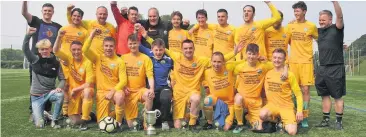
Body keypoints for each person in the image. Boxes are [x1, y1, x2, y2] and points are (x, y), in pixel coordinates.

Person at [164, 39, 244, 133]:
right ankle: (189, 115)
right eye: (185, 48)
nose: (188, 50)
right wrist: (146, 37)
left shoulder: (201, 61)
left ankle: (192, 123)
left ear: (194, 49)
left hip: (192, 92)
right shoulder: (177, 57)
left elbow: (220, 60)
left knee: (197, 98)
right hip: (179, 93)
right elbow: (163, 49)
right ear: (182, 49)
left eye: (190, 48)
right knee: (177, 126)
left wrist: (234, 52)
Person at [232, 44, 288, 133]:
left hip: (256, 101)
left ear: (258, 55)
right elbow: (225, 64)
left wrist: (285, 70)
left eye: (254, 54)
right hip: (244, 99)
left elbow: (280, 63)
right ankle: (239, 124)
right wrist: (234, 53)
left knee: (259, 127)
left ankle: (247, 116)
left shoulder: (263, 66)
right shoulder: (239, 67)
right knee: (238, 98)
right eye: (249, 54)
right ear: (246, 54)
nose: (251, 56)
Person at [22, 1, 62, 120]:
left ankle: (47, 110)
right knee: (34, 85)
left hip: (51, 60)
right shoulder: (36, 22)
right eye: (45, 10)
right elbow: (24, 13)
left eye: (49, 10)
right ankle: (33, 110)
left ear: (53, 12)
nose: (47, 12)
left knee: (50, 85)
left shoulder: (57, 26)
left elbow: (62, 41)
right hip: (37, 60)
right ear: (42, 11)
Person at [82, 29, 127, 129]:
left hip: (115, 91)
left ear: (114, 47)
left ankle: (119, 123)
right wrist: (92, 35)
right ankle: (113, 114)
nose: (108, 48)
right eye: (106, 46)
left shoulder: (120, 61)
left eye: (111, 46)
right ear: (103, 47)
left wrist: (113, 91)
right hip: (102, 92)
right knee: (102, 123)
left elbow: (123, 80)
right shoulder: (97, 58)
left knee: (120, 96)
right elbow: (84, 50)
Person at [22, 27, 65, 129]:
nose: (44, 51)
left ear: (50, 49)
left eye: (47, 48)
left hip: (49, 94)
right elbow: (25, 49)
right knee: (39, 125)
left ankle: (54, 120)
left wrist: (60, 86)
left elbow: (63, 79)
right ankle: (43, 114)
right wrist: (28, 35)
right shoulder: (34, 59)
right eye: (42, 49)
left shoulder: (56, 62)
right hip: (36, 96)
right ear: (39, 50)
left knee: (60, 95)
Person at [53, 30, 94, 130]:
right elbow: (55, 51)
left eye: (79, 49)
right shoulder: (68, 58)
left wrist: (76, 90)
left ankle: (84, 120)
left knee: (87, 91)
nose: (76, 52)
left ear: (82, 50)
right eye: (74, 50)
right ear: (71, 50)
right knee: (74, 121)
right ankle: (90, 116)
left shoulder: (88, 62)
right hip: (72, 92)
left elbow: (88, 83)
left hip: (83, 90)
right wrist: (58, 37)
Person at [287, 1, 318, 127]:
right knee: (293, 90)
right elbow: (286, 42)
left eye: (298, 11)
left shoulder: (311, 26)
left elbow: (320, 39)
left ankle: (304, 116)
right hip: (293, 62)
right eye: (294, 11)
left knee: (305, 90)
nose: (296, 13)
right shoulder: (290, 26)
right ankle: (294, 114)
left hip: (306, 62)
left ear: (304, 11)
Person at [315, 1, 345, 130]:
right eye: (320, 20)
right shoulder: (319, 32)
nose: (321, 22)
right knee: (324, 95)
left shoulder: (337, 28)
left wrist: (335, 2)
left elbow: (340, 17)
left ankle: (338, 122)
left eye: (323, 20)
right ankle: (326, 120)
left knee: (337, 96)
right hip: (322, 68)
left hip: (335, 67)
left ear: (330, 19)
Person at [259, 48, 303, 136]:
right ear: (271, 58)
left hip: (286, 106)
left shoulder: (289, 75)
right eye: (274, 57)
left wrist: (299, 111)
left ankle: (284, 123)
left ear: (284, 60)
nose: (276, 60)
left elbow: (298, 94)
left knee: (292, 132)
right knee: (262, 115)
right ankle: (277, 121)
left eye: (279, 58)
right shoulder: (268, 73)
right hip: (272, 105)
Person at [201, 52, 244, 131]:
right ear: (211, 62)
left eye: (219, 62)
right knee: (207, 101)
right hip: (216, 100)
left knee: (225, 128)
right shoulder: (207, 72)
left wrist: (255, 59)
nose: (216, 64)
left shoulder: (229, 68)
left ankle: (232, 117)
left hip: (229, 103)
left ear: (223, 62)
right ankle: (209, 123)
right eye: (214, 61)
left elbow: (241, 63)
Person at [58, 7, 89, 117]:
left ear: (81, 18)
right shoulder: (63, 29)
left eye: (79, 16)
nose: (76, 18)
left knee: (77, 86)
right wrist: (60, 58)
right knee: (66, 86)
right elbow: (58, 45)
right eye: (74, 15)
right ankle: (65, 111)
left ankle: (79, 110)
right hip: (64, 63)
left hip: (77, 64)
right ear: (71, 16)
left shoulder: (84, 32)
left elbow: (85, 49)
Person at [138, 38, 173, 130]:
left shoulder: (169, 60)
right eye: (156, 50)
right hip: (151, 88)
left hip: (164, 87)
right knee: (154, 119)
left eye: (161, 50)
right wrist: (136, 31)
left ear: (164, 49)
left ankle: (165, 121)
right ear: (152, 49)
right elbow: (138, 45)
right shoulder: (148, 56)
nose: (158, 52)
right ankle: (147, 121)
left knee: (165, 98)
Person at [122, 34, 154, 130]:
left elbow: (150, 76)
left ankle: (146, 122)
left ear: (139, 43)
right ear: (127, 44)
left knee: (149, 94)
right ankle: (121, 116)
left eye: (135, 43)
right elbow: (119, 77)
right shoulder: (123, 58)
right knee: (132, 126)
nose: (133, 46)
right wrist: (123, 87)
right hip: (128, 92)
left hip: (140, 90)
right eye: (130, 44)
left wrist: (151, 88)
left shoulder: (145, 58)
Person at [121, 8, 190, 49]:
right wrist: (124, 14)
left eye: (154, 16)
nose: (152, 18)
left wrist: (184, 25)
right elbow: (132, 19)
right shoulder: (143, 23)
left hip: (163, 56)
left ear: (158, 16)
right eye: (150, 16)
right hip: (147, 56)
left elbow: (177, 26)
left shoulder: (166, 24)